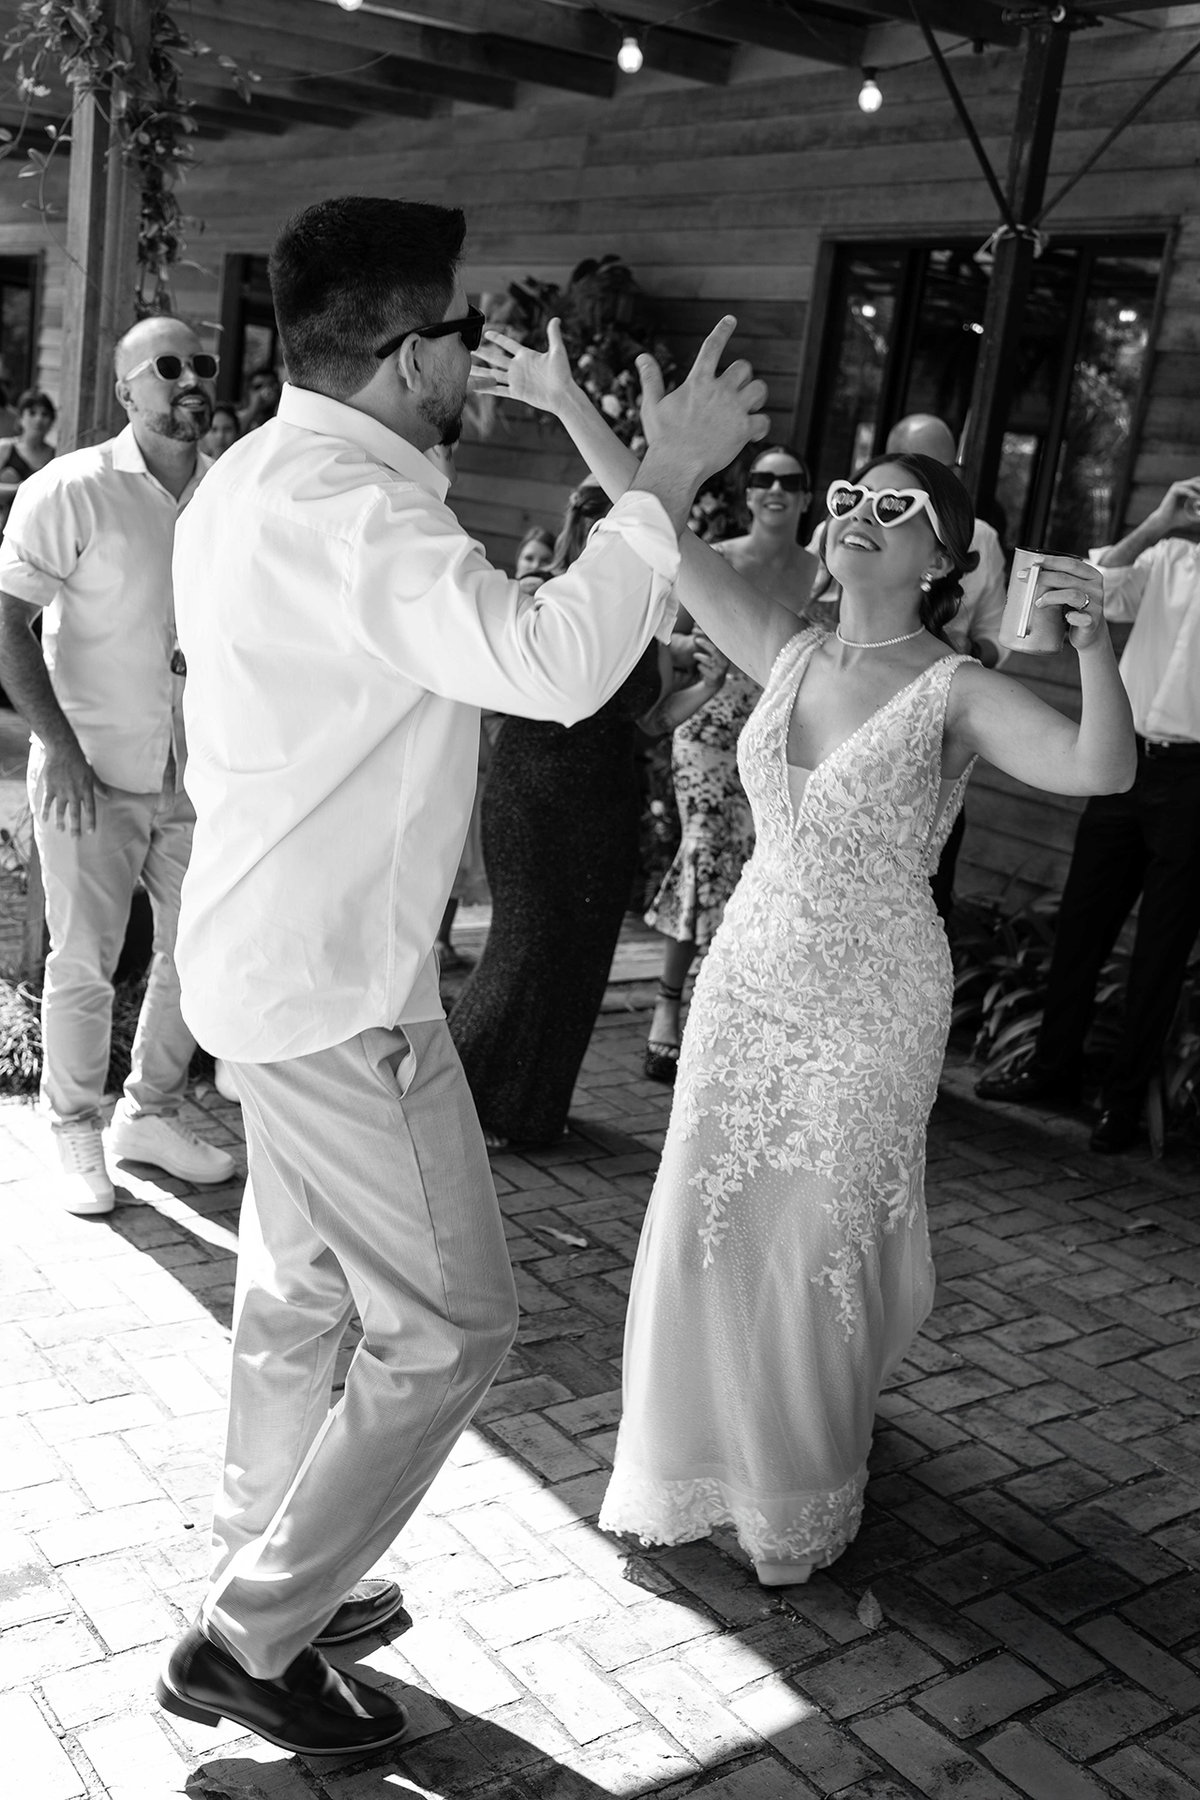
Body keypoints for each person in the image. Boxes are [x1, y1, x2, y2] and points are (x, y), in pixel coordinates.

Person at [156, 194, 768, 1758]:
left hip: (267, 961)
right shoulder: (359, 513)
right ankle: (252, 1635)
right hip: (339, 994)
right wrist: (663, 480)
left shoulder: (252, 479)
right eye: (459, 336)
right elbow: (554, 667)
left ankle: (269, 1554)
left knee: (300, 1294)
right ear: (403, 352)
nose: (474, 360)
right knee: (452, 1326)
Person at [0, 321, 236, 1216]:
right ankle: (72, 1127)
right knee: (85, 961)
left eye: (200, 365)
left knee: (195, 952)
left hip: (197, 775)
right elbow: (7, 622)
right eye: (167, 367)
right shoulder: (71, 489)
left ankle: (150, 1115)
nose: (190, 379)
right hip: (89, 771)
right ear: (125, 390)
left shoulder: (229, 493)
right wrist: (58, 747)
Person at [450, 480, 729, 1146]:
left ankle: (530, 1112)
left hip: (606, 800)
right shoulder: (546, 593)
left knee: (582, 956)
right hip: (533, 792)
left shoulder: (654, 615)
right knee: (525, 946)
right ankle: (448, 1108)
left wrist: (708, 683)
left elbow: (648, 722)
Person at [976, 474, 1200, 1153]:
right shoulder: (1168, 556)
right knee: (1081, 923)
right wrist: (1158, 521)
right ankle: (1052, 1070)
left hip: (1195, 782)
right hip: (1127, 764)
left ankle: (1124, 1105)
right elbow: (1092, 583)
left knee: (1161, 947)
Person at [644, 444, 817, 1082]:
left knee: (757, 869)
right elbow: (662, 638)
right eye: (763, 479)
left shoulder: (825, 574)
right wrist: (695, 653)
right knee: (706, 849)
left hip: (782, 744)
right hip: (710, 731)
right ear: (747, 495)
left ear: (806, 498)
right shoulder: (714, 560)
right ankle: (668, 1004)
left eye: (789, 482)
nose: (775, 490)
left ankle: (724, 1008)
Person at [0, 388, 56, 530]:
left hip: (40, 529)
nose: (39, 419)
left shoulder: (55, 456)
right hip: (7, 528)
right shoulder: (6, 448)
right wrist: (19, 488)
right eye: (32, 413)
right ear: (20, 418)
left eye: (45, 414)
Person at [237, 365, 281, 433]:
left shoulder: (283, 417)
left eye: (271, 386)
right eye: (258, 387)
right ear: (249, 391)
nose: (264, 392)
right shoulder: (237, 417)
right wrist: (253, 409)